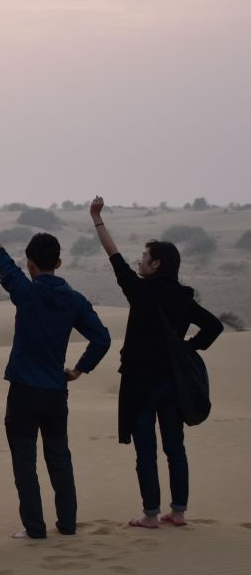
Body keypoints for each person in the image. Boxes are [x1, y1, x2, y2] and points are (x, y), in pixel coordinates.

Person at [0, 198, 111, 539]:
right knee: (59, 458)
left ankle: (35, 529)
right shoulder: (73, 300)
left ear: (29, 264)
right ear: (58, 262)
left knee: (24, 463)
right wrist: (78, 370)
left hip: (24, 393)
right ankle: (68, 525)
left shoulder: (24, 292)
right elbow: (102, 338)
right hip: (55, 392)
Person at [89, 197, 223, 528]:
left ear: (157, 264)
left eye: (145, 259)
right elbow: (215, 326)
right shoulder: (182, 297)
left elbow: (114, 257)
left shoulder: (140, 291)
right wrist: (189, 347)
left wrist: (96, 218)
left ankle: (150, 514)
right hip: (172, 385)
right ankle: (177, 512)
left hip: (139, 385)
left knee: (146, 453)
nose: (139, 263)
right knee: (175, 449)